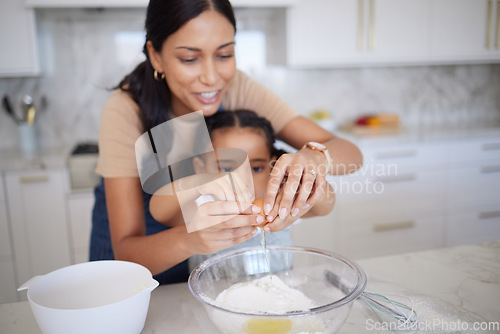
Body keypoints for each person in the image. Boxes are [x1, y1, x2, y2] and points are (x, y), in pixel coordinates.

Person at [90, 0, 362, 284]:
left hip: (206, 264)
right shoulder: (126, 110)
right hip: (143, 252)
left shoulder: (237, 87)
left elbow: (351, 154)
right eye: (189, 59)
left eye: (225, 54)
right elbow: (128, 251)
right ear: (156, 56)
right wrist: (189, 239)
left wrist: (314, 159)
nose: (211, 78)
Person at [149, 109, 336, 269]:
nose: (243, 179)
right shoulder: (204, 206)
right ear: (201, 168)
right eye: (227, 168)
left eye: (256, 168)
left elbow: (326, 205)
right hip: (214, 302)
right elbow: (159, 210)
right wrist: (198, 183)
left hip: (278, 300)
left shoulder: (281, 201)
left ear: (273, 167)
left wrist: (305, 178)